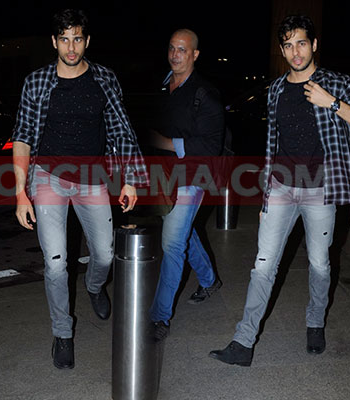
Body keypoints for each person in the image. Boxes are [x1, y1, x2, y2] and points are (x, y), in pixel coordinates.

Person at [209, 14, 350, 366]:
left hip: (322, 190)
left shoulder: (336, 83)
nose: (295, 52)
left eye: (301, 43)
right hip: (281, 190)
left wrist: (332, 103)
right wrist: (264, 198)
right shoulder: (275, 90)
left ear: (314, 44)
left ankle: (315, 322)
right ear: (281, 50)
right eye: (288, 45)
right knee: (262, 265)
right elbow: (273, 146)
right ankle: (244, 342)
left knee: (319, 263)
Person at [11, 9, 146, 369]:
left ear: (87, 41)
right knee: (56, 264)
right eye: (65, 39)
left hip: (92, 179)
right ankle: (63, 333)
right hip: (48, 178)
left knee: (104, 254)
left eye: (78, 38)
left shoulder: (104, 79)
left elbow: (121, 129)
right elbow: (22, 137)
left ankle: (94, 286)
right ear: (54, 42)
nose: (71, 46)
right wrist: (20, 192)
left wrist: (130, 177)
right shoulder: (37, 82)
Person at [147, 29, 224, 341]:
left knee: (172, 244)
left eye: (183, 50)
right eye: (171, 48)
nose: (175, 54)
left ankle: (159, 317)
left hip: (194, 175)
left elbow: (211, 145)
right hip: (166, 177)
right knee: (183, 233)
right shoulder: (163, 85)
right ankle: (209, 279)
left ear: (194, 55)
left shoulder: (204, 94)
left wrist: (166, 143)